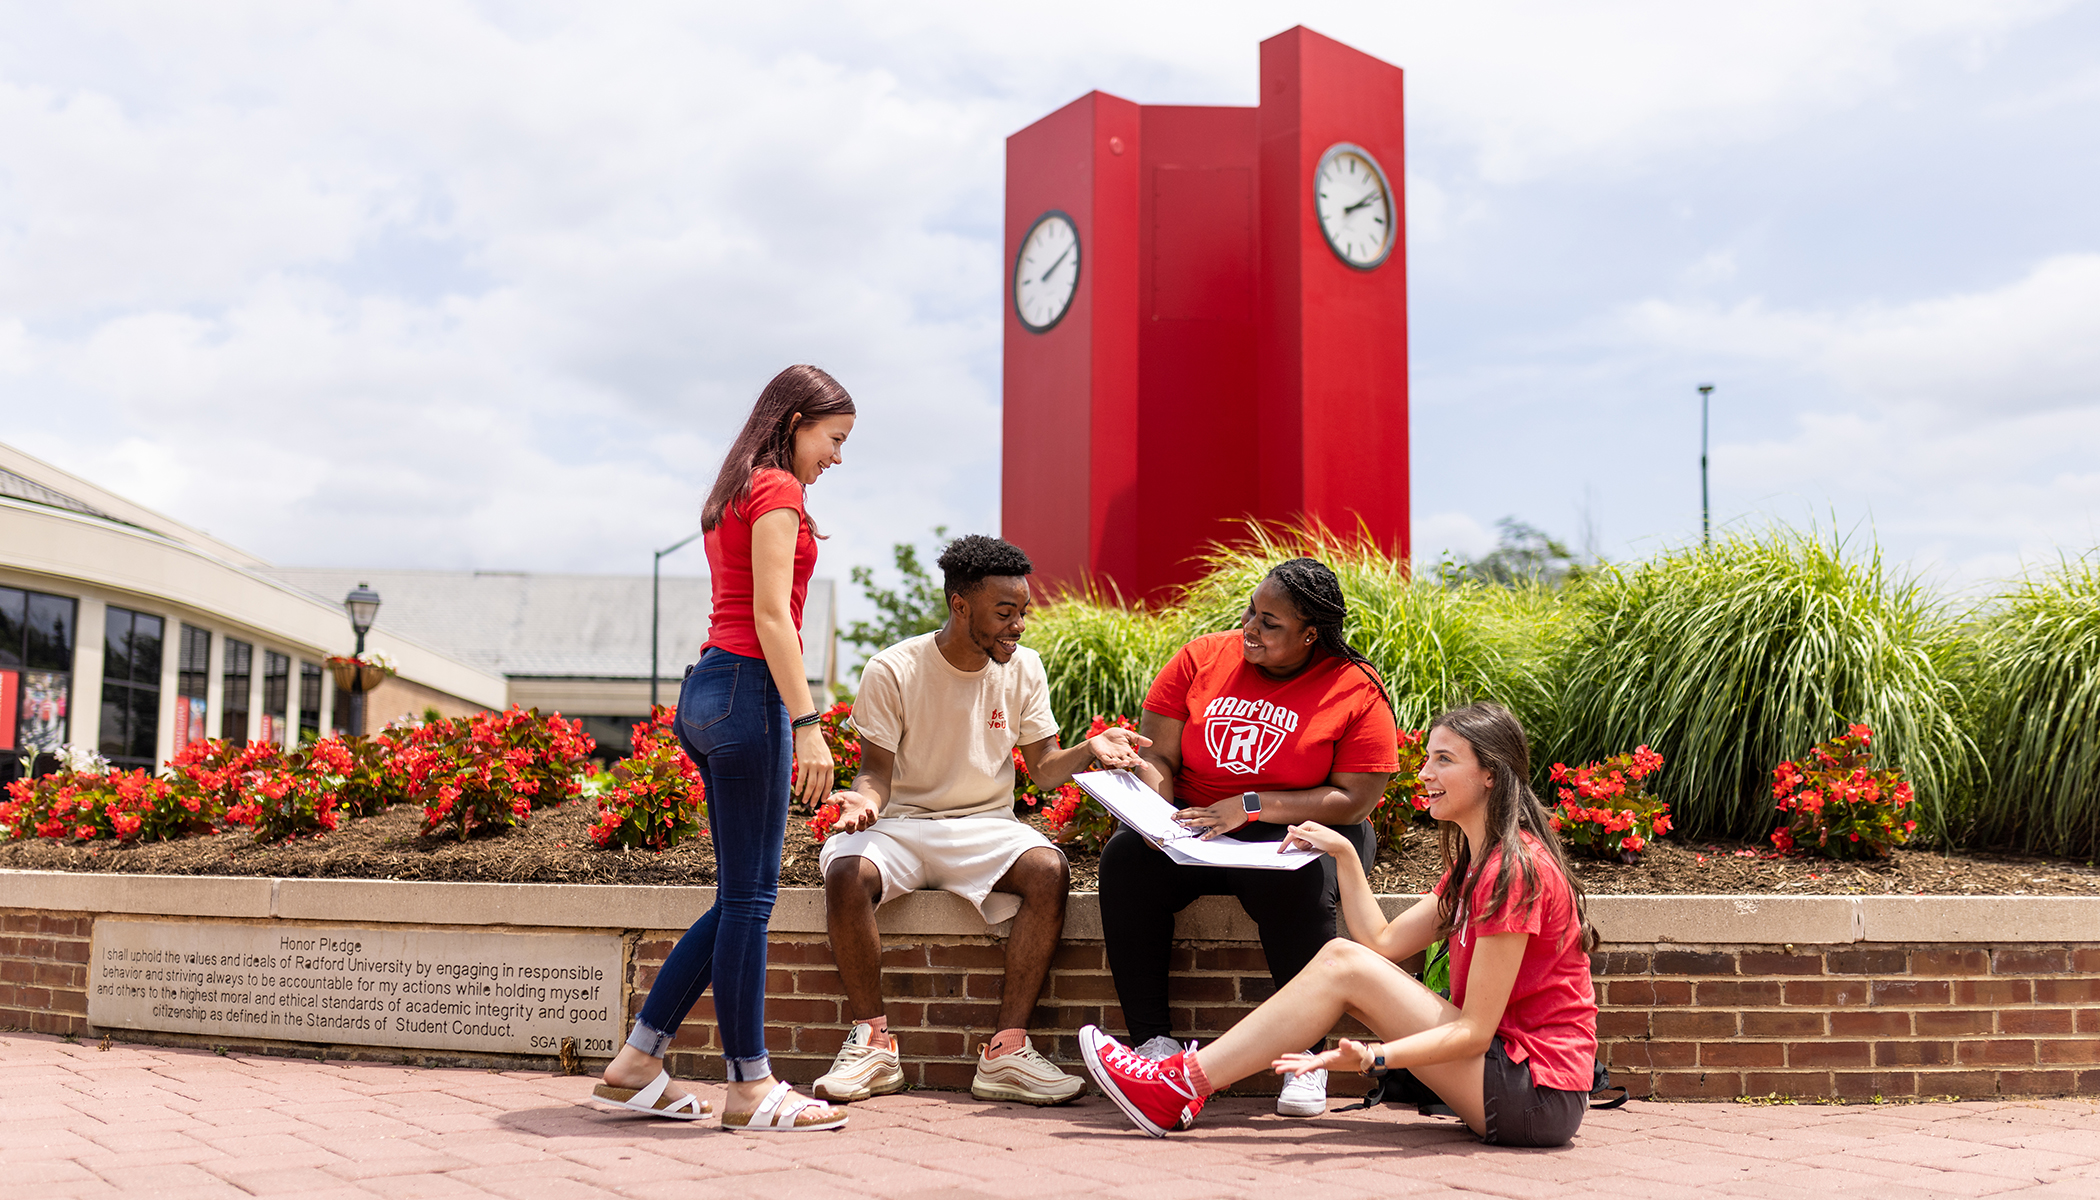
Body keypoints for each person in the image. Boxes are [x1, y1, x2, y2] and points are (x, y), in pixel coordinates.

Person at [1077, 702, 1602, 1149]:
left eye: (1445, 760)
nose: (1424, 775)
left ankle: (1179, 1084)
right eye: (1428, 759)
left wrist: (1375, 1057)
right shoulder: (1477, 865)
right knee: (1346, 960)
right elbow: (1383, 943)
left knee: (1342, 962)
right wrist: (1345, 853)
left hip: (1535, 1095)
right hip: (1507, 1080)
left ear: (1491, 773)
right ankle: (1181, 1085)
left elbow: (1473, 1031)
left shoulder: (1514, 872)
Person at [592, 364, 856, 1132]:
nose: (836, 458)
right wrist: (809, 724)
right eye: (833, 440)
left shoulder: (732, 488)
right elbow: (774, 617)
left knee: (741, 897)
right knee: (751, 898)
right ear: (798, 421)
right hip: (750, 690)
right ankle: (750, 1088)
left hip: (709, 689)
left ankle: (638, 1062)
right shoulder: (778, 489)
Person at [812, 535, 1149, 1106]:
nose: (1017, 625)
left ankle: (1007, 1054)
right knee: (846, 872)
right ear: (960, 605)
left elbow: (1043, 770)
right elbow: (875, 775)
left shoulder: (1025, 667)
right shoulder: (892, 668)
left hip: (984, 826)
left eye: (1022, 611)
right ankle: (874, 1045)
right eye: (1004, 612)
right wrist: (863, 802)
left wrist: (1093, 747)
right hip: (899, 825)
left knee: (1048, 868)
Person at [1098, 557, 1398, 1118]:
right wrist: (1153, 804)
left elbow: (1356, 799)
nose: (1249, 629)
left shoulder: (1353, 687)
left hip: (1300, 823)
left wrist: (1254, 805)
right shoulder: (1200, 657)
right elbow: (1160, 754)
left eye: (1269, 622)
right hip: (1200, 822)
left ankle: (1303, 1060)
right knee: (1125, 861)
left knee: (1303, 878)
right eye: (1249, 613)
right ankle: (1153, 1046)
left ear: (1311, 634)